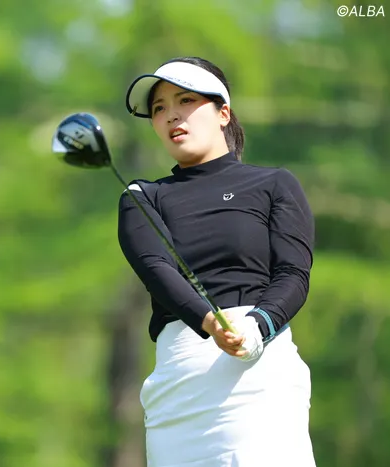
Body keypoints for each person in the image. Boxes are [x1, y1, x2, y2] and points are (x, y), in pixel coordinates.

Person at [117, 56, 317, 467]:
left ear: (223, 113)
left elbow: (293, 273)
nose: (171, 115)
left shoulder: (273, 184)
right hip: (180, 380)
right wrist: (210, 322)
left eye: (186, 100)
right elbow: (156, 268)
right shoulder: (142, 195)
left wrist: (258, 326)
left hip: (260, 373)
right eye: (159, 108)